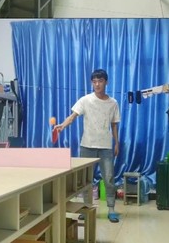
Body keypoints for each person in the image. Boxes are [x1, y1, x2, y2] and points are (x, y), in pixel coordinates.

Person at [54, 69, 121, 223]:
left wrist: (116, 143)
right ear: (92, 83)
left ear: (106, 82)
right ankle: (86, 208)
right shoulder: (85, 100)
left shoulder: (113, 103)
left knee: (109, 178)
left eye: (100, 81)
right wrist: (62, 125)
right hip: (87, 145)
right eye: (94, 81)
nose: (97, 84)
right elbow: (73, 116)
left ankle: (111, 209)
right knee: (85, 180)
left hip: (106, 146)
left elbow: (114, 125)